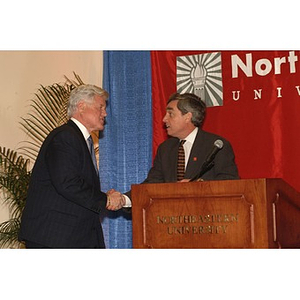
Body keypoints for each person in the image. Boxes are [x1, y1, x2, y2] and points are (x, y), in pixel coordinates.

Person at [19, 84, 125, 248]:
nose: (105, 113)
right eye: (101, 107)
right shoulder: (65, 137)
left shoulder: (76, 138)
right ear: (82, 106)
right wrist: (105, 199)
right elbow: (68, 183)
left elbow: (74, 184)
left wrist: (103, 197)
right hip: (54, 239)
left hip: (72, 237)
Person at [123, 92, 239, 204]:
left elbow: (231, 183)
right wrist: (125, 200)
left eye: (170, 114)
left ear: (188, 117)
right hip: (172, 218)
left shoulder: (215, 146)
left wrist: (200, 187)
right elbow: (152, 184)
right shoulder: (165, 149)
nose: (164, 119)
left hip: (208, 216)